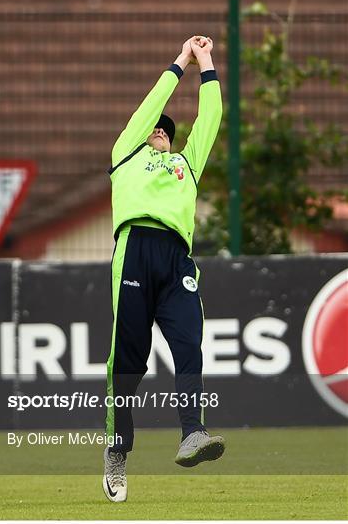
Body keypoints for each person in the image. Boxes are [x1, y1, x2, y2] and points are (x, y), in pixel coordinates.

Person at [103, 35, 224, 503]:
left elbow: (210, 122)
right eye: (155, 128)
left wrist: (208, 63)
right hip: (133, 248)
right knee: (128, 362)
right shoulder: (126, 155)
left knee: (189, 342)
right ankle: (118, 449)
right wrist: (180, 60)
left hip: (176, 259)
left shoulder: (184, 166)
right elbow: (151, 105)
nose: (160, 131)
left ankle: (193, 432)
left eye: (166, 131)